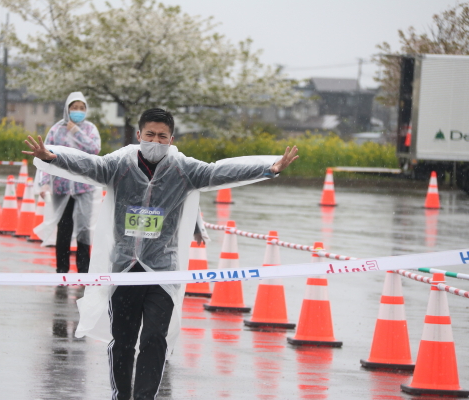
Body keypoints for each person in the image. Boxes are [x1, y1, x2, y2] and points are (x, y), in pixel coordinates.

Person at [24, 108, 298, 400]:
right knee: (123, 341)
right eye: (150, 135)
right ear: (139, 135)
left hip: (163, 270)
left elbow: (219, 171)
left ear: (171, 139)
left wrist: (268, 168)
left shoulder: (183, 169)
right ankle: (122, 396)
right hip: (125, 268)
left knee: (155, 338)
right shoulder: (120, 165)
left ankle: (145, 397)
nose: (155, 141)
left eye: (162, 136)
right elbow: (90, 165)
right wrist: (52, 157)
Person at [38, 91, 101, 273]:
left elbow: (94, 149)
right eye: (74, 107)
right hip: (62, 187)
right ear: (67, 108)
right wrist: (44, 183)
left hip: (84, 186)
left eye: (82, 108)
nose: (78, 111)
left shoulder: (89, 129)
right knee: (64, 227)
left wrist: (76, 131)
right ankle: (62, 269)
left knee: (84, 228)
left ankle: (83, 269)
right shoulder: (56, 130)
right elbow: (45, 156)